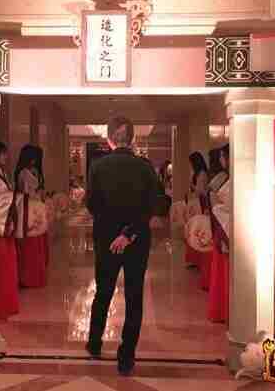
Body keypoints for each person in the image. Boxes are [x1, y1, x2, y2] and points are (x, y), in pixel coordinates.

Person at [85, 115, 159, 375]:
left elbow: (92, 204)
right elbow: (152, 205)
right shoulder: (145, 167)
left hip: (106, 240)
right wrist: (128, 234)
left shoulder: (98, 167)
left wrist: (114, 233)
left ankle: (95, 343)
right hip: (137, 241)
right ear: (133, 139)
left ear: (108, 139)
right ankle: (126, 356)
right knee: (134, 296)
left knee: (103, 292)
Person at [6, 144, 49, 288]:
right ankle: (29, 277)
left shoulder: (31, 171)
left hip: (34, 207)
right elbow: (26, 192)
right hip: (28, 208)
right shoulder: (24, 173)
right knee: (31, 242)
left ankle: (32, 276)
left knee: (36, 241)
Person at [0, 141, 20, 319]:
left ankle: (7, 304)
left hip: (6, 221)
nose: (5, 157)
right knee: (1, 267)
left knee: (8, 266)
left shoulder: (1, 173)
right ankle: (0, 306)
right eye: (3, 153)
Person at [207, 143, 230, 323]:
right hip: (222, 226)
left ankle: (225, 309)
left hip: (226, 228)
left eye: (223, 156)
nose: (221, 160)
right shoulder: (224, 177)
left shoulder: (228, 179)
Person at [185, 151, 209, 268]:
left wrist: (193, 187)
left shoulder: (202, 174)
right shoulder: (197, 173)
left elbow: (201, 190)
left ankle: (198, 259)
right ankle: (194, 259)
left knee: (196, 231)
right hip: (194, 202)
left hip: (199, 203)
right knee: (192, 230)